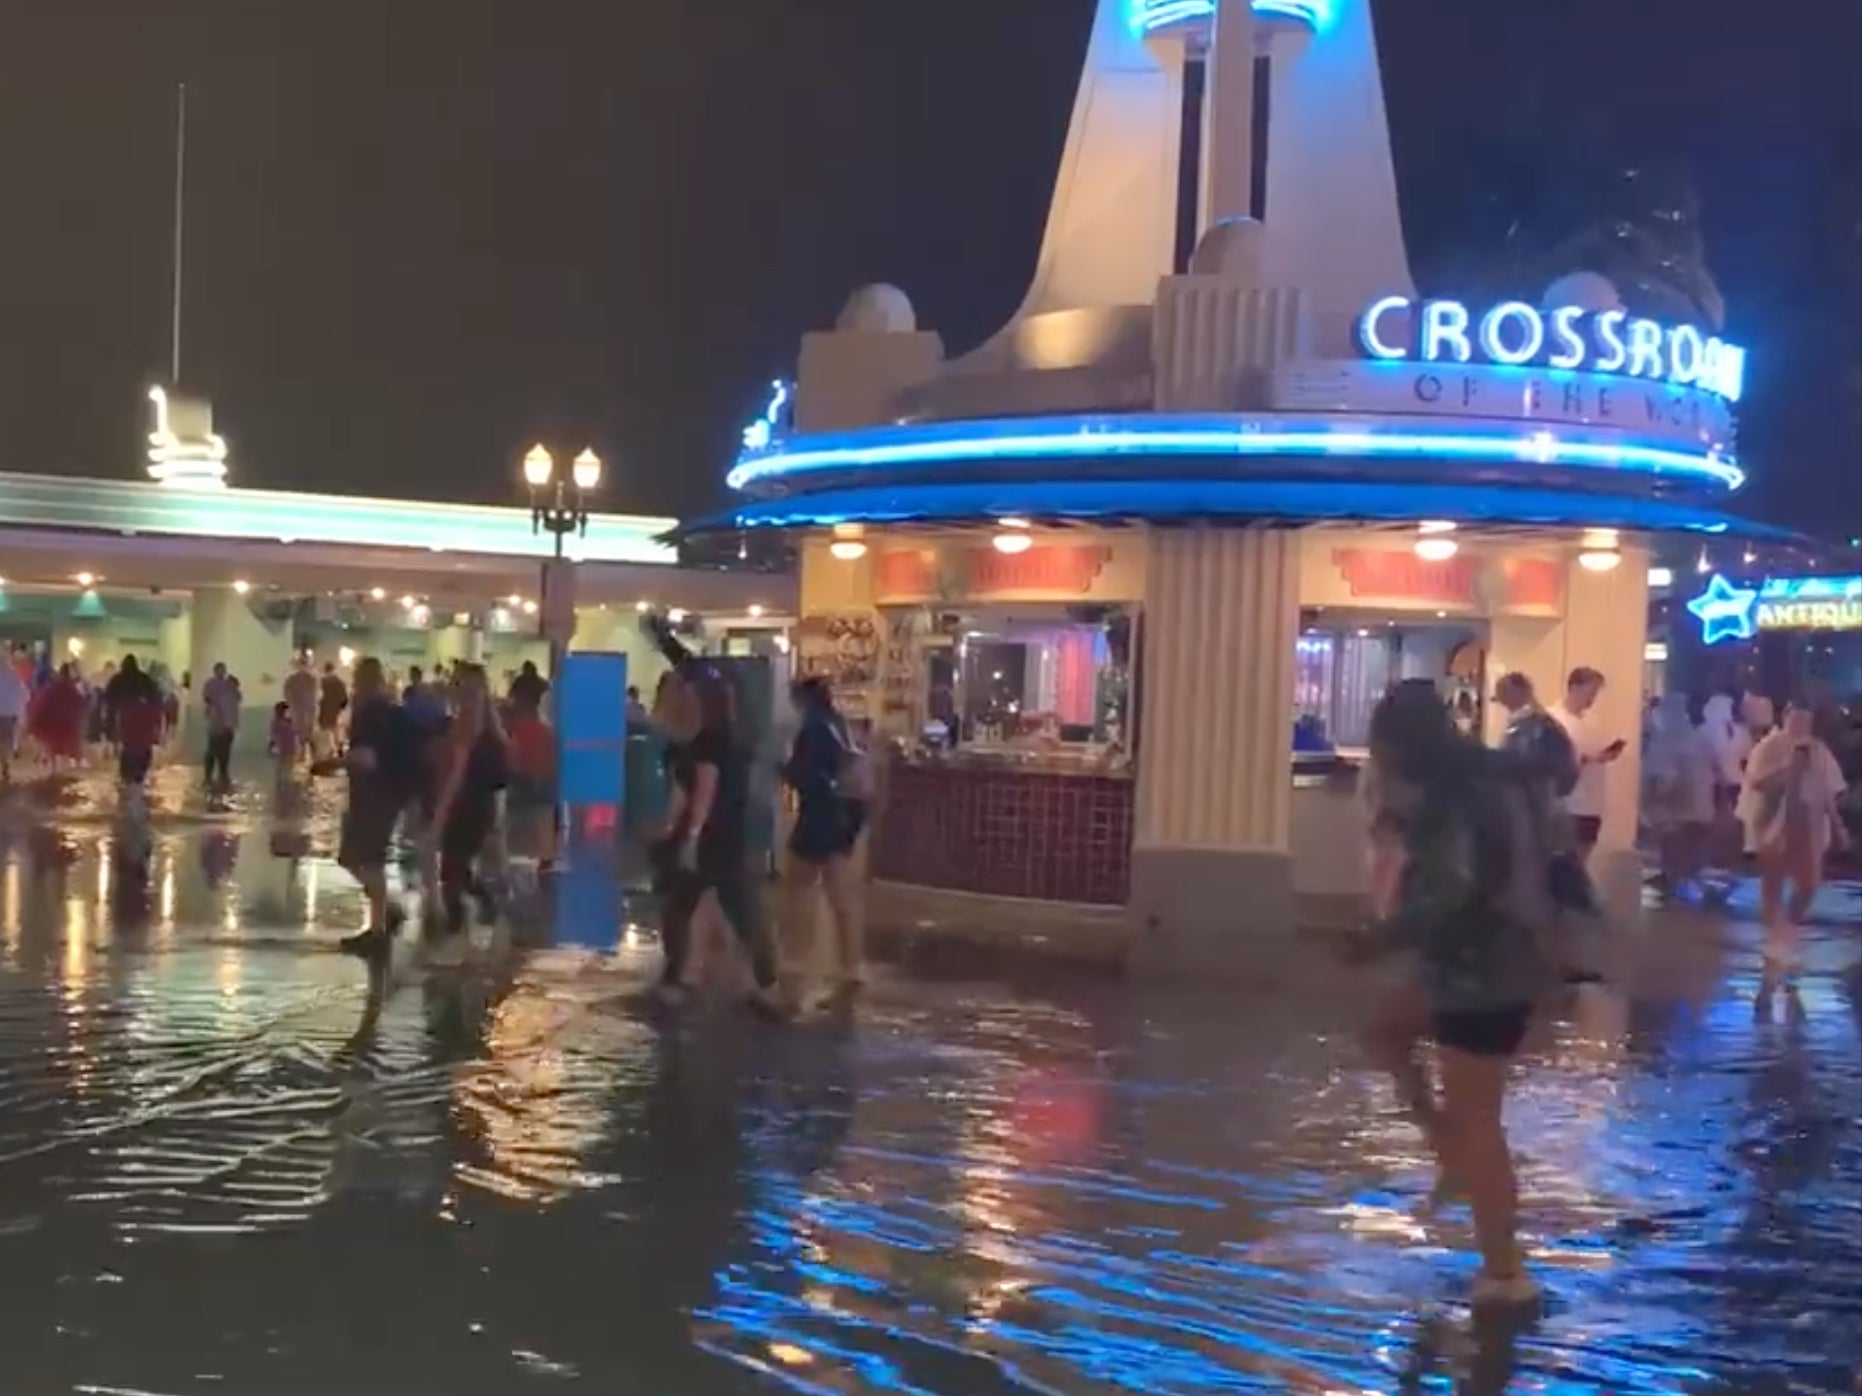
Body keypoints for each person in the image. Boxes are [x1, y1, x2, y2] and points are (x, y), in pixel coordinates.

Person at [1357, 679, 1552, 1309]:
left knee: (1479, 1121)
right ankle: (1449, 1153)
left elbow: (1450, 891)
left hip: (1479, 970)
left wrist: (1379, 940)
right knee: (1386, 1029)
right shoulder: (1492, 777)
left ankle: (1505, 1272)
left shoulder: (1450, 800)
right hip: (1506, 958)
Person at [654, 665, 782, 1013]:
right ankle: (765, 982)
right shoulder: (730, 742)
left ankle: (677, 978)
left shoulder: (707, 744)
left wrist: (690, 837)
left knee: (688, 905)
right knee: (736, 907)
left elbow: (703, 793)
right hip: (729, 831)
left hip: (711, 835)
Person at [1740, 700, 1848, 971]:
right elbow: (1756, 783)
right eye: (1796, 719)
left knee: (1808, 885)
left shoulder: (1818, 750)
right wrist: (1789, 770)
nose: (1801, 725)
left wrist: (1838, 828)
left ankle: (1786, 930)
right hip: (1772, 825)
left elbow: (1828, 790)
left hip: (1808, 827)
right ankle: (1774, 940)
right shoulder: (1769, 747)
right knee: (1773, 885)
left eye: (1806, 721)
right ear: (1786, 717)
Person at [781, 676, 869, 1005]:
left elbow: (807, 775)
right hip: (845, 814)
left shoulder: (813, 728)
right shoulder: (839, 724)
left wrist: (782, 770)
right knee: (842, 895)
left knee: (798, 888)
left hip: (819, 814)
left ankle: (796, 962)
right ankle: (851, 968)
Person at [331, 658, 426, 957]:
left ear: (361, 680)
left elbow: (367, 758)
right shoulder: (392, 712)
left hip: (373, 795)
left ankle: (379, 926)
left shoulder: (368, 713)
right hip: (392, 793)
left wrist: (331, 764)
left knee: (363, 859)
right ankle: (384, 913)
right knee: (361, 858)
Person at [426, 665, 509, 948]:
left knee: (452, 871)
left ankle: (457, 929)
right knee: (457, 869)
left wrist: (439, 816)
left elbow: (456, 777)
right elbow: (499, 784)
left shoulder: (464, 728)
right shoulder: (493, 733)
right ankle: (479, 909)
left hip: (464, 806)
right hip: (482, 807)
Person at [1643, 692, 1717, 900]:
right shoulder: (1697, 736)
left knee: (1674, 851)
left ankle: (1676, 888)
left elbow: (1665, 778)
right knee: (1692, 853)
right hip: (1700, 808)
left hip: (1676, 810)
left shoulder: (1667, 740)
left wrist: (1654, 799)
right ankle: (1689, 888)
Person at [1547, 667, 1624, 862]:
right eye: (1590, 692)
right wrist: (1585, 760)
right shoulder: (1553, 721)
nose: (1592, 699)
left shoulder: (1591, 721)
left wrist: (1606, 755)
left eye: (1595, 694)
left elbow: (1595, 751)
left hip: (1592, 805)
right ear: (1574, 688)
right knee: (1564, 864)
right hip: (1568, 805)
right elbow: (1551, 764)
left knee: (1582, 862)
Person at [504, 694, 558, 874]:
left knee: (507, 818)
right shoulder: (546, 731)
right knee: (544, 819)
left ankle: (501, 853)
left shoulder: (514, 729)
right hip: (543, 778)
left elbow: (511, 753)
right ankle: (546, 859)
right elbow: (552, 758)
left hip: (521, 777)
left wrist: (512, 772)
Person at [108, 658, 166, 789]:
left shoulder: (118, 680)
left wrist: (110, 730)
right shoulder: (145, 680)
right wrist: (157, 724)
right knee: (142, 749)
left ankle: (128, 781)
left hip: (127, 721)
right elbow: (157, 702)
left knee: (128, 749)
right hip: (144, 722)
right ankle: (138, 780)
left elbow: (109, 703)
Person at [28, 664, 88, 770]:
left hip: (51, 724)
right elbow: (81, 704)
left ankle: (54, 768)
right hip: (67, 725)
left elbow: (40, 703)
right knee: (65, 749)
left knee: (52, 747)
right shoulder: (72, 689)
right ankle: (62, 769)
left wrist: (33, 720)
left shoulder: (51, 687)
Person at [201, 662, 241, 791]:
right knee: (213, 750)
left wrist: (234, 687)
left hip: (227, 724)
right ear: (215, 671)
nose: (221, 672)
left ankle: (222, 774)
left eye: (223, 670)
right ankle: (209, 775)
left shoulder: (229, 685)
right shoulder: (211, 684)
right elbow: (207, 698)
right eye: (219, 670)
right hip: (216, 722)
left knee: (225, 751)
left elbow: (237, 699)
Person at [283, 659, 319, 759]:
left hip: (301, 708)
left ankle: (306, 752)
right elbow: (315, 694)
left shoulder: (293, 679)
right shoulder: (310, 679)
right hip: (303, 708)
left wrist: (291, 705)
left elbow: (287, 694)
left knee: (303, 730)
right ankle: (308, 752)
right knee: (304, 730)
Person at [0, 656, 27, 782]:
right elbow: (24, 694)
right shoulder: (14, 675)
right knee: (7, 740)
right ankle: (6, 765)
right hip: (9, 713)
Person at [317, 663, 350, 758]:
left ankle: (329, 751)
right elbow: (344, 699)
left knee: (326, 731)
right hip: (336, 710)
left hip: (324, 710)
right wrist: (342, 708)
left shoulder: (321, 683)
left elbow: (318, 697)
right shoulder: (340, 682)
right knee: (337, 731)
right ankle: (339, 748)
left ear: (325, 670)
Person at [269, 701, 300, 781]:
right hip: (284, 748)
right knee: (283, 766)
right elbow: (273, 736)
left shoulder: (288, 721)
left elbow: (273, 737)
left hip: (289, 748)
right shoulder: (277, 722)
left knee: (287, 766)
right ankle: (283, 780)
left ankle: (286, 780)